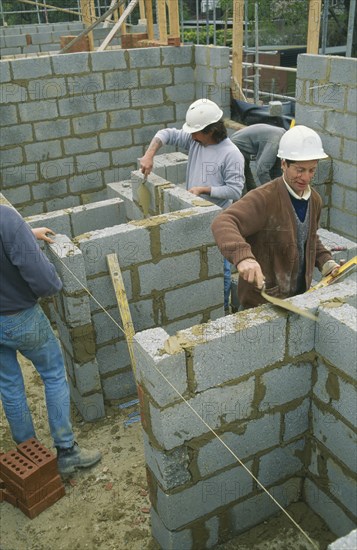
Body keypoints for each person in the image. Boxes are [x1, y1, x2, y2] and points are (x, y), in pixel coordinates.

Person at [0, 205, 102, 476]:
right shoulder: (7, 219)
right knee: (54, 375)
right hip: (20, 316)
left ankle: (29, 455)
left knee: (9, 385)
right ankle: (67, 451)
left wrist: (26, 234)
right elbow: (46, 283)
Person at [211, 125, 340, 310]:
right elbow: (223, 222)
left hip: (297, 299)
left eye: (312, 170)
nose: (306, 177)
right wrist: (243, 257)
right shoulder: (264, 198)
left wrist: (326, 262)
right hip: (262, 302)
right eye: (299, 169)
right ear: (283, 164)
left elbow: (309, 237)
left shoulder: (315, 200)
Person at [140, 98, 245, 312]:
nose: (191, 136)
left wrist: (204, 189)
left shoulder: (231, 154)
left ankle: (221, 309)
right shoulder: (196, 141)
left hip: (217, 221)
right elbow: (166, 134)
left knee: (220, 270)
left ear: (212, 130)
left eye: (196, 132)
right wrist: (149, 154)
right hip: (193, 216)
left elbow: (235, 190)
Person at [230, 123, 286, 191]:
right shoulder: (275, 143)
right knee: (242, 189)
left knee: (251, 187)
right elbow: (262, 171)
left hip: (242, 142)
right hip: (236, 146)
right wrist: (272, 191)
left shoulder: (283, 136)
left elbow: (276, 171)